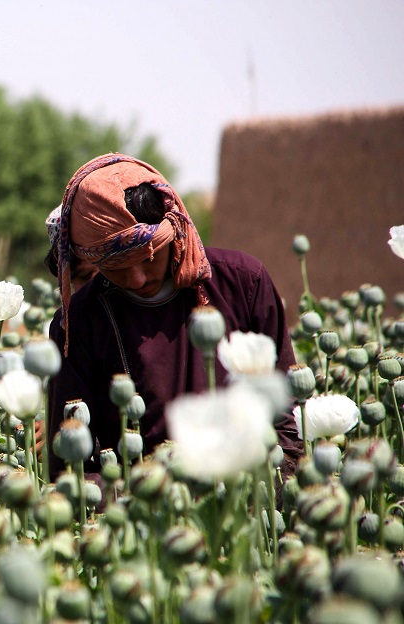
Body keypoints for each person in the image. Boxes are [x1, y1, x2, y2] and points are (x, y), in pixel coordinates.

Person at [44, 153, 302, 479]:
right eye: (117, 267)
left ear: (174, 226)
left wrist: (264, 496)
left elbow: (285, 419)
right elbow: (72, 468)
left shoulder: (243, 282)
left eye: (148, 257)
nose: (137, 278)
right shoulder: (80, 323)